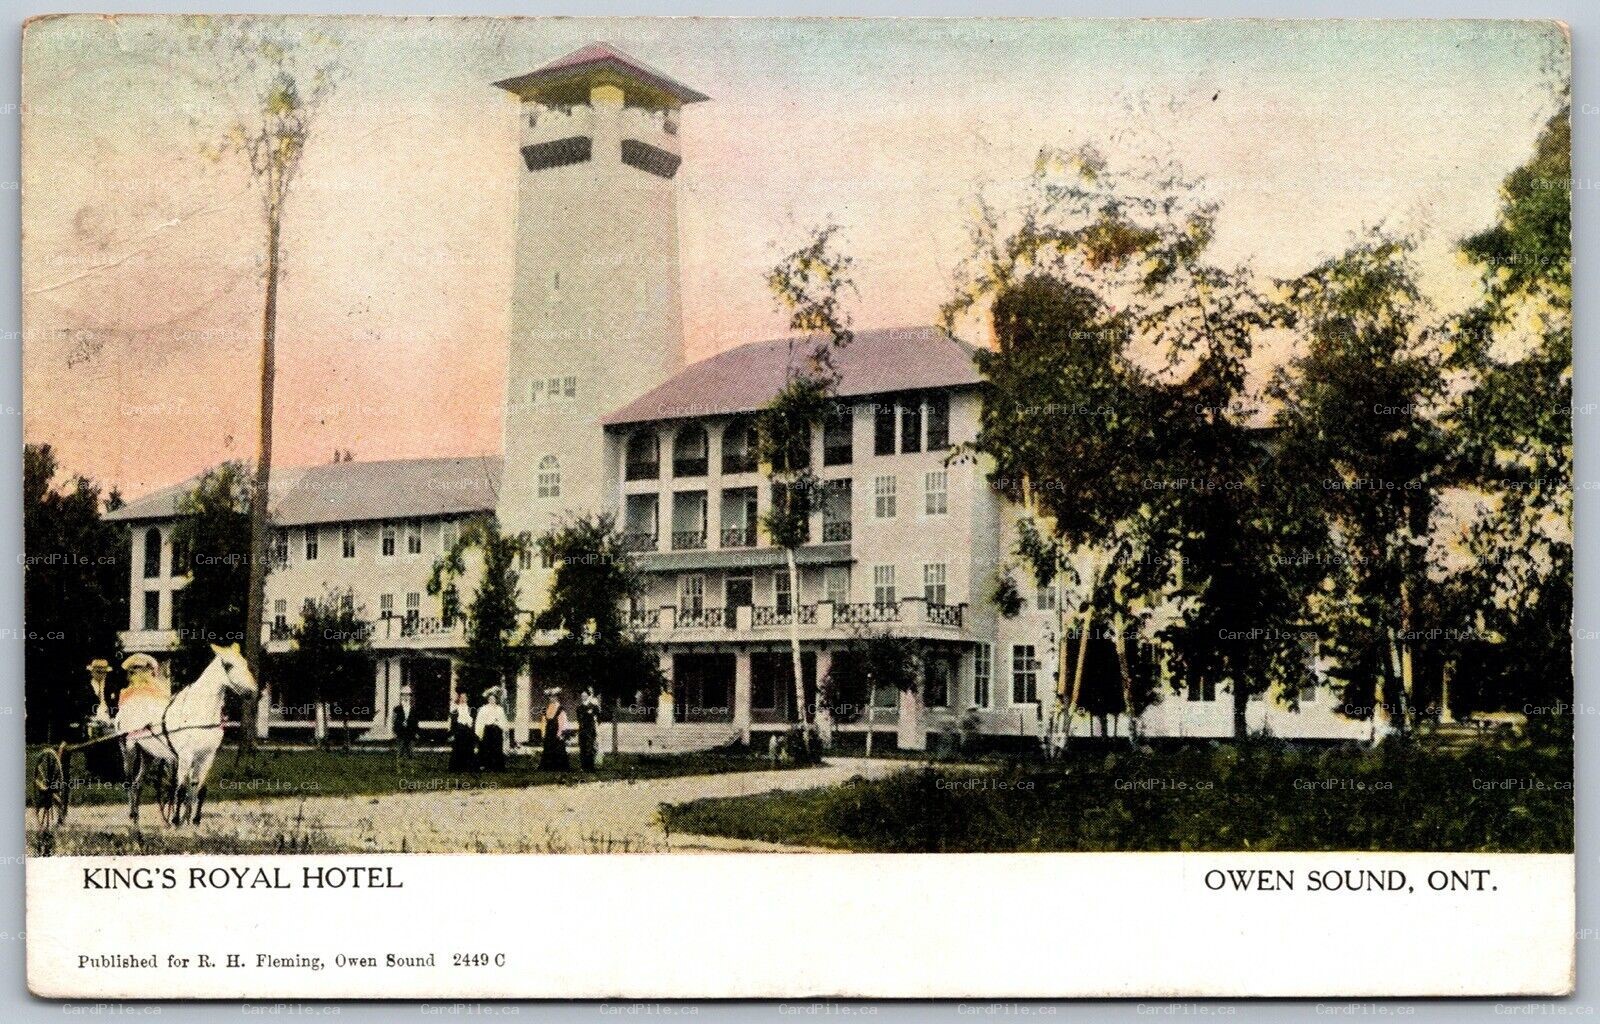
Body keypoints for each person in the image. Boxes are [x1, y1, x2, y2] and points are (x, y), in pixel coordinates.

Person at [475, 688, 509, 771]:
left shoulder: (499, 709)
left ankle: (497, 766)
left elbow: (503, 720)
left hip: (497, 730)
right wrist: (480, 731)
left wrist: (502, 727)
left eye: (493, 699)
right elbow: (480, 720)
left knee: (497, 748)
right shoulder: (484, 709)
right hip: (487, 730)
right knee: (487, 748)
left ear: (496, 700)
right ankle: (487, 765)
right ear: (488, 700)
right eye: (490, 699)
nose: (492, 701)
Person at [539, 688, 569, 771]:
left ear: (557, 698)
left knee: (558, 749)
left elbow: (563, 722)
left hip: (557, 733)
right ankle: (548, 767)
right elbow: (543, 722)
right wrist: (543, 733)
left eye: (554, 697)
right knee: (548, 749)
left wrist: (560, 733)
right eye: (550, 697)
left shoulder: (560, 709)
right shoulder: (545, 709)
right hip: (548, 733)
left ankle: (558, 767)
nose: (552, 698)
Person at [448, 691, 476, 772]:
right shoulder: (455, 711)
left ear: (467, 699)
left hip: (468, 732)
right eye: (462, 698)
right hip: (458, 732)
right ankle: (457, 768)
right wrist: (452, 734)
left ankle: (468, 767)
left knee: (468, 750)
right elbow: (453, 724)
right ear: (459, 699)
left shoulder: (471, 710)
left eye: (465, 698)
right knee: (457, 750)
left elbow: (473, 723)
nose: (463, 699)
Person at [577, 686, 602, 772]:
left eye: (585, 695)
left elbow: (599, 717)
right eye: (582, 696)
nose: (583, 697)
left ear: (588, 696)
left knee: (590, 748)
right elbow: (579, 719)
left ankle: (590, 767)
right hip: (582, 730)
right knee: (582, 748)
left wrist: (595, 723)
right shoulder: (579, 707)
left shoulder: (593, 706)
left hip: (590, 730)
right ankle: (583, 767)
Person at [392, 687, 417, 759]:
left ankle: (411, 767)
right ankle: (399, 767)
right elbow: (394, 720)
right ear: (401, 696)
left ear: (410, 697)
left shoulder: (413, 709)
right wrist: (396, 730)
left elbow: (415, 722)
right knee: (399, 752)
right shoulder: (397, 709)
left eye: (408, 695)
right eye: (404, 695)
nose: (406, 697)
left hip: (410, 732)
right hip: (401, 732)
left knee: (411, 753)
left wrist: (416, 732)